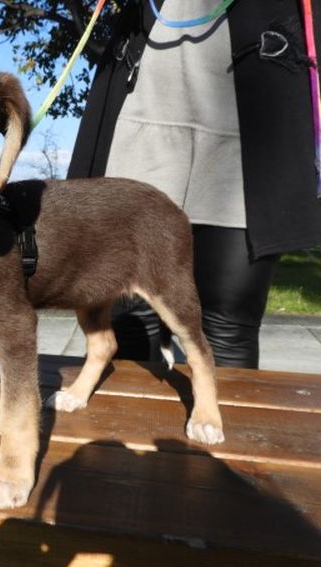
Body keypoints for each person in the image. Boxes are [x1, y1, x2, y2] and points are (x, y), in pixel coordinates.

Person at [68, 0, 321, 368]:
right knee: (126, 320)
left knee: (228, 327)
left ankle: (221, 408)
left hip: (255, 115)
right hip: (143, 100)